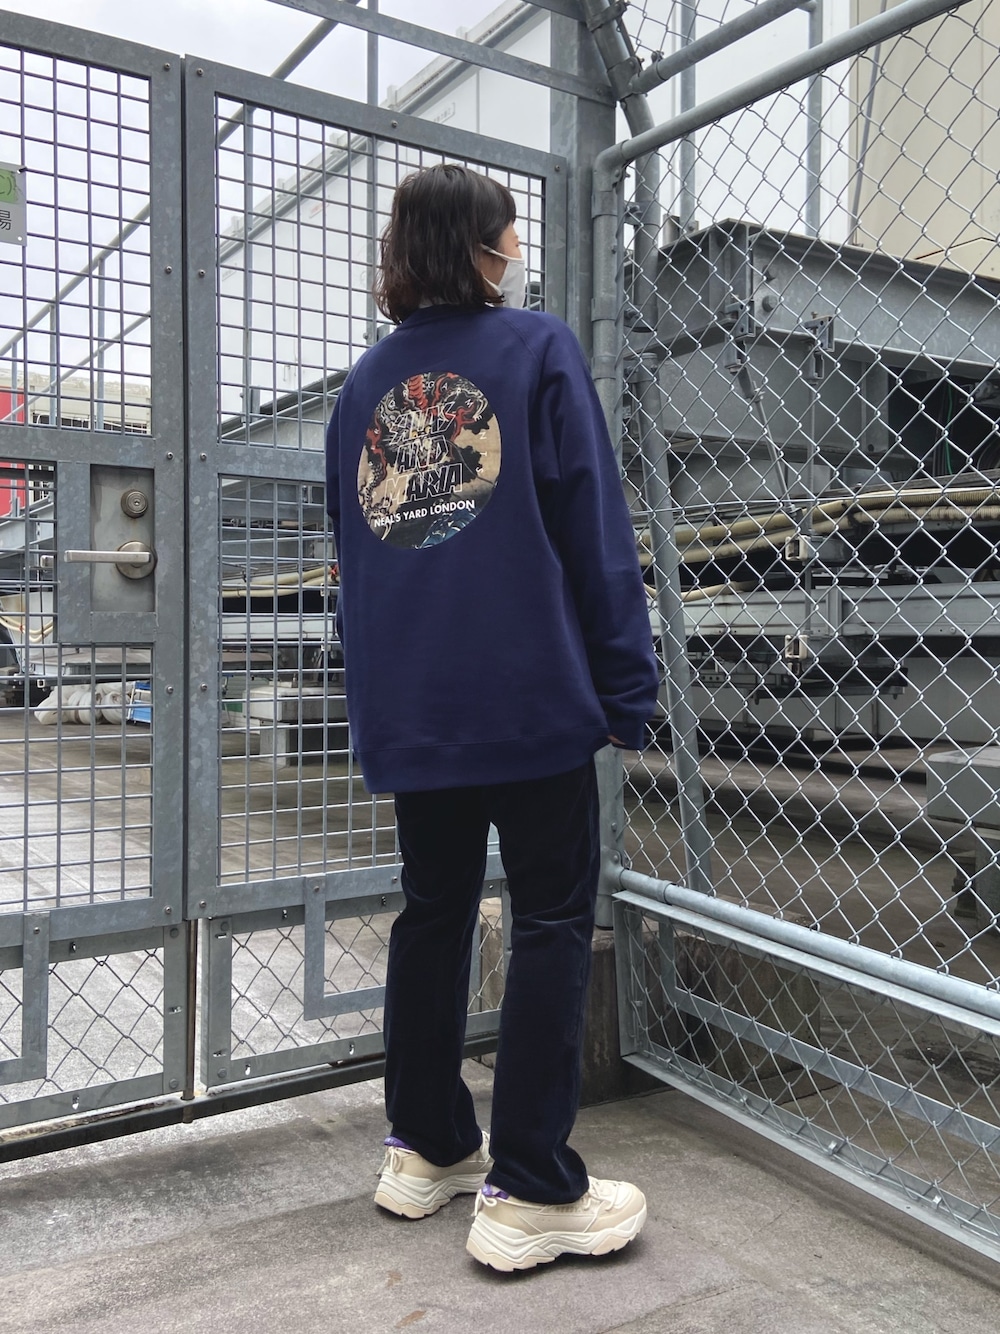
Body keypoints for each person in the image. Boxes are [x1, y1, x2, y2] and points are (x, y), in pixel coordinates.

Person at [325, 163, 659, 1272]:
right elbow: (593, 531)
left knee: (433, 910)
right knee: (552, 918)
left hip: (417, 711)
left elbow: (356, 566)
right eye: (507, 236)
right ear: (479, 247)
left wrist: (377, 710)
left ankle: (425, 1148)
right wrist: (627, 687)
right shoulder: (536, 350)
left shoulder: (362, 390)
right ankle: (531, 1185)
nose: (515, 254)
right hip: (528, 699)